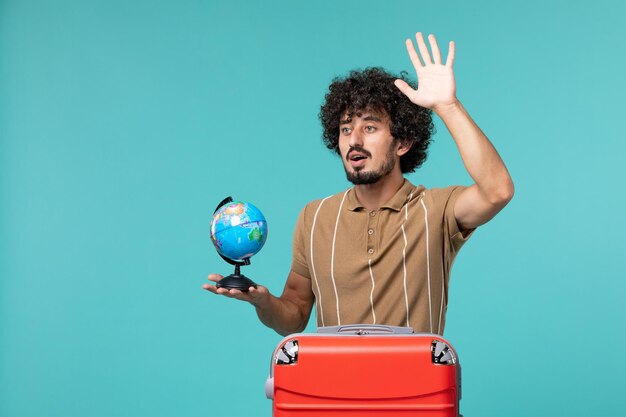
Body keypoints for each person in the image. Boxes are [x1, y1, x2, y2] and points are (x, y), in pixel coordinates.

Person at [203, 32, 514, 336]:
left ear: (402, 142)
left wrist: (447, 106)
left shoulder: (437, 209)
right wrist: (264, 302)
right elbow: (294, 316)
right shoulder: (315, 217)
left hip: (415, 386)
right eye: (346, 128)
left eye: (370, 127)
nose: (354, 140)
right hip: (335, 387)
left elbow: (497, 190)